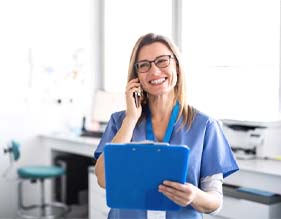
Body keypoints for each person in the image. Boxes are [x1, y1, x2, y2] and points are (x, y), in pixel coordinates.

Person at [94, 33, 239, 219]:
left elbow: (215, 202)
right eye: (144, 65)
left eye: (162, 61)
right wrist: (131, 119)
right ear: (136, 76)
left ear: (177, 67)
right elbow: (103, 179)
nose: (154, 72)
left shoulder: (205, 126)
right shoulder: (120, 122)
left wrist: (193, 195)